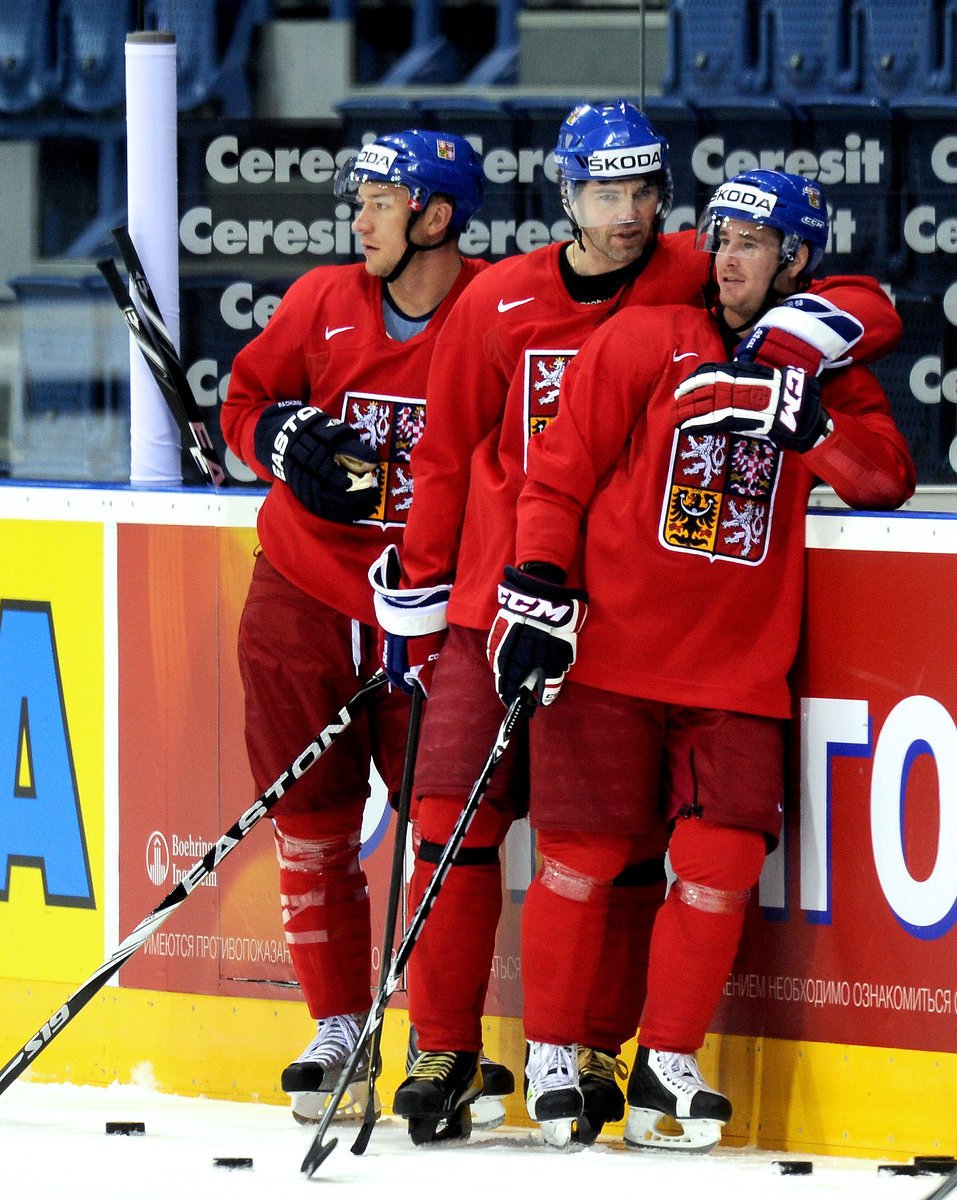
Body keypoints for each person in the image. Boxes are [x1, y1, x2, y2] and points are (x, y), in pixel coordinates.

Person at [371, 103, 905, 1148]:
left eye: (645, 192)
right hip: (510, 599)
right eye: (606, 191)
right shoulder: (509, 303)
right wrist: (442, 591)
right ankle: (448, 1044)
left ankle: (620, 1052)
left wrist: (799, 368)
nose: (630, 213)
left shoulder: (683, 278)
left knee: (653, 851)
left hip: (665, 635)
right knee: (459, 816)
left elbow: (867, 309)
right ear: (566, 192)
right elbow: (459, 460)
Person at [219, 128, 488, 1126]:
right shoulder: (321, 302)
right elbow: (242, 403)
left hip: (431, 608)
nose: (359, 216)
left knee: (447, 827)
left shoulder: (498, 309)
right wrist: (281, 441)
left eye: (380, 199)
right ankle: (339, 1025)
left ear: (437, 215)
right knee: (312, 821)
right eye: (361, 197)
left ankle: (439, 1040)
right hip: (300, 593)